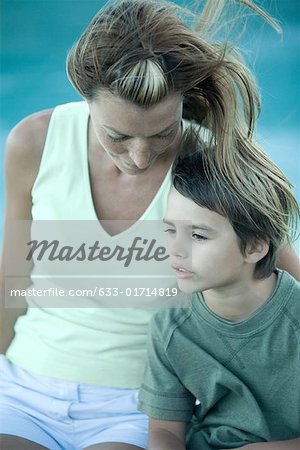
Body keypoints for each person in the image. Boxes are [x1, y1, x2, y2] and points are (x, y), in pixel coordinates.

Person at [0, 0, 299, 449]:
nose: (140, 157)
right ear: (85, 98)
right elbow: (13, 279)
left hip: (138, 410)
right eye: (117, 136)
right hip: (18, 390)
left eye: (162, 133)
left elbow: (277, 276)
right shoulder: (33, 142)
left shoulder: (210, 163)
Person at [138, 131, 300, 450]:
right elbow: (166, 430)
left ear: (254, 247)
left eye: (198, 236)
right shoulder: (171, 321)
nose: (176, 249)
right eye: (170, 230)